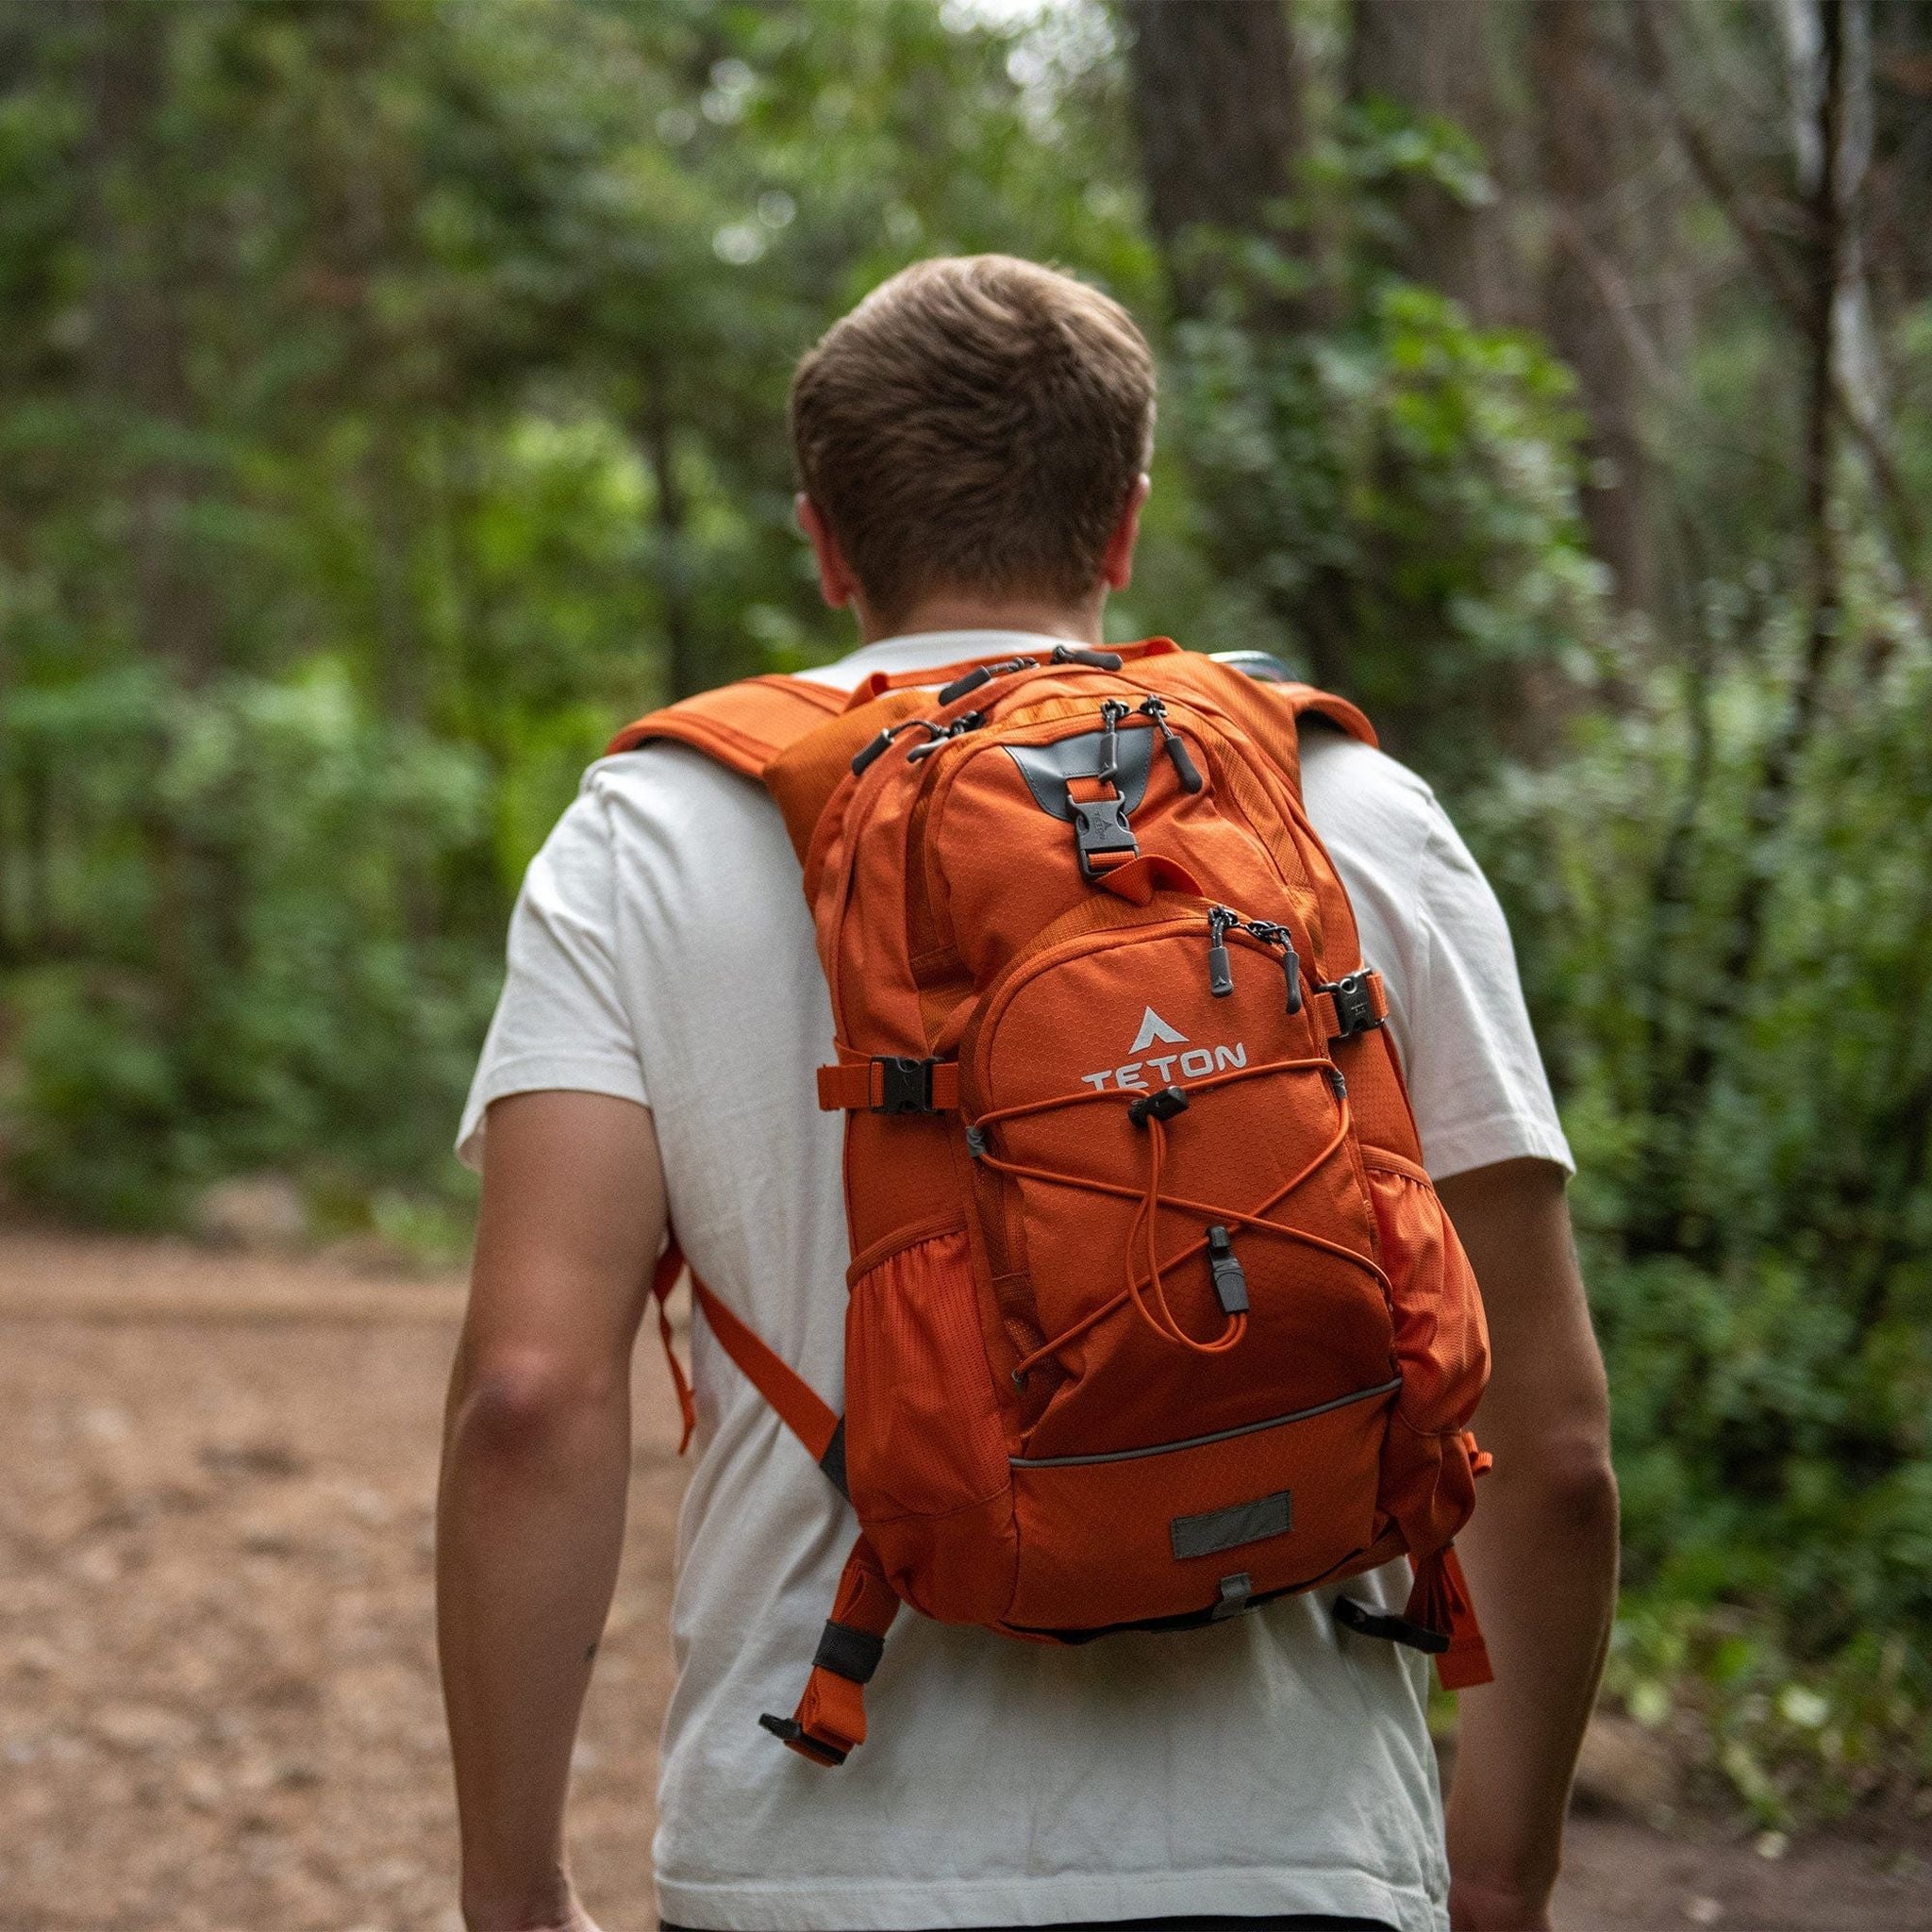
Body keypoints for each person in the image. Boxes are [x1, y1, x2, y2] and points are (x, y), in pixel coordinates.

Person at [437, 255, 1618, 1932]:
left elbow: (532, 1397)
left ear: (828, 540)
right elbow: (1553, 1449)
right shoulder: (1343, 802)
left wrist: (513, 1893)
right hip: (1299, 1852)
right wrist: (1499, 1872)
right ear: (1122, 525)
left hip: (814, 1848)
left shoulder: (646, 833)